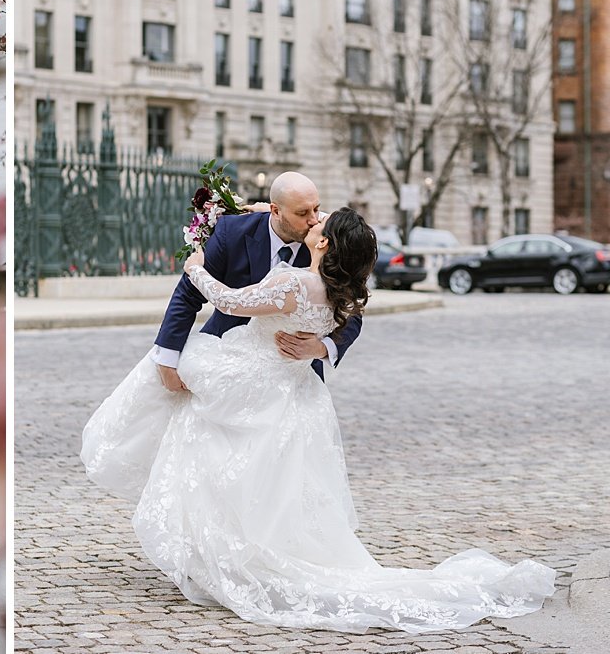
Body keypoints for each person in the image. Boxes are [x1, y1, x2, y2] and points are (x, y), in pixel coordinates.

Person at [81, 208, 554, 632]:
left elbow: (227, 303)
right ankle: (225, 545)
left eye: (322, 221)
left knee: (196, 409)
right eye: (311, 212)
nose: (316, 218)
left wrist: (195, 269)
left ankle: (216, 543)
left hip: (257, 378)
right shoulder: (334, 289)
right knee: (262, 471)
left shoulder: (295, 282)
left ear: (324, 243)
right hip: (289, 386)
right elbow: (318, 304)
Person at [151, 171, 359, 392]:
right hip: (223, 364)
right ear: (275, 211)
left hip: (295, 380)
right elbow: (188, 295)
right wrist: (167, 358)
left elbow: (353, 309)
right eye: (302, 213)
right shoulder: (232, 232)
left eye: (317, 209)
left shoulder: (325, 243)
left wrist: (322, 348)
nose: (314, 219)